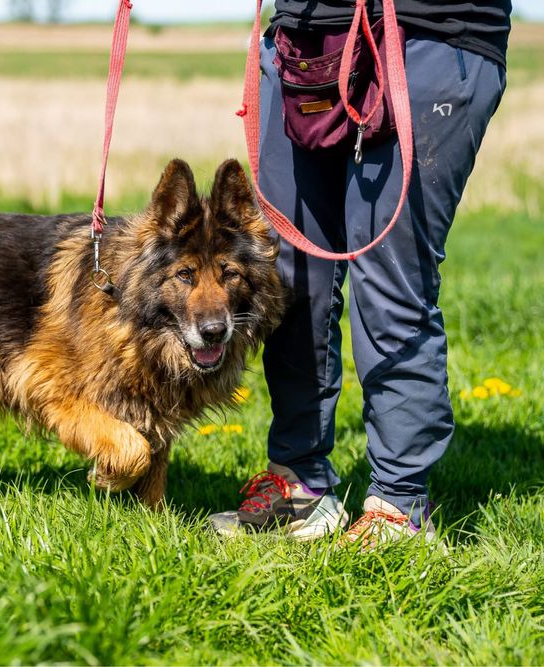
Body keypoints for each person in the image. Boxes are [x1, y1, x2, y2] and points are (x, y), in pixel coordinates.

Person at [209, 0, 511, 546]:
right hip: (303, 43)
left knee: (390, 279)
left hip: (431, 34)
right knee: (287, 275)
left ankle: (399, 504)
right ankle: (299, 482)